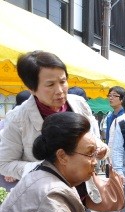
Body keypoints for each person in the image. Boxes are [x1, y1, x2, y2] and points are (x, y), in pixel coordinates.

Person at [0, 51, 106, 184]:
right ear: (32, 88)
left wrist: (101, 147)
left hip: (84, 191)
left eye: (63, 81)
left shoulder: (79, 104)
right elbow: (4, 164)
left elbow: (92, 137)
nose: (60, 90)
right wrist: (44, 169)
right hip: (45, 195)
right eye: (50, 85)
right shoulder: (17, 118)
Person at [104, 86, 125, 212]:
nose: (110, 98)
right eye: (110, 95)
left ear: (122, 99)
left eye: (114, 95)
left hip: (122, 164)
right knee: (113, 194)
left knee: (118, 195)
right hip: (111, 162)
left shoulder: (124, 118)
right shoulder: (110, 116)